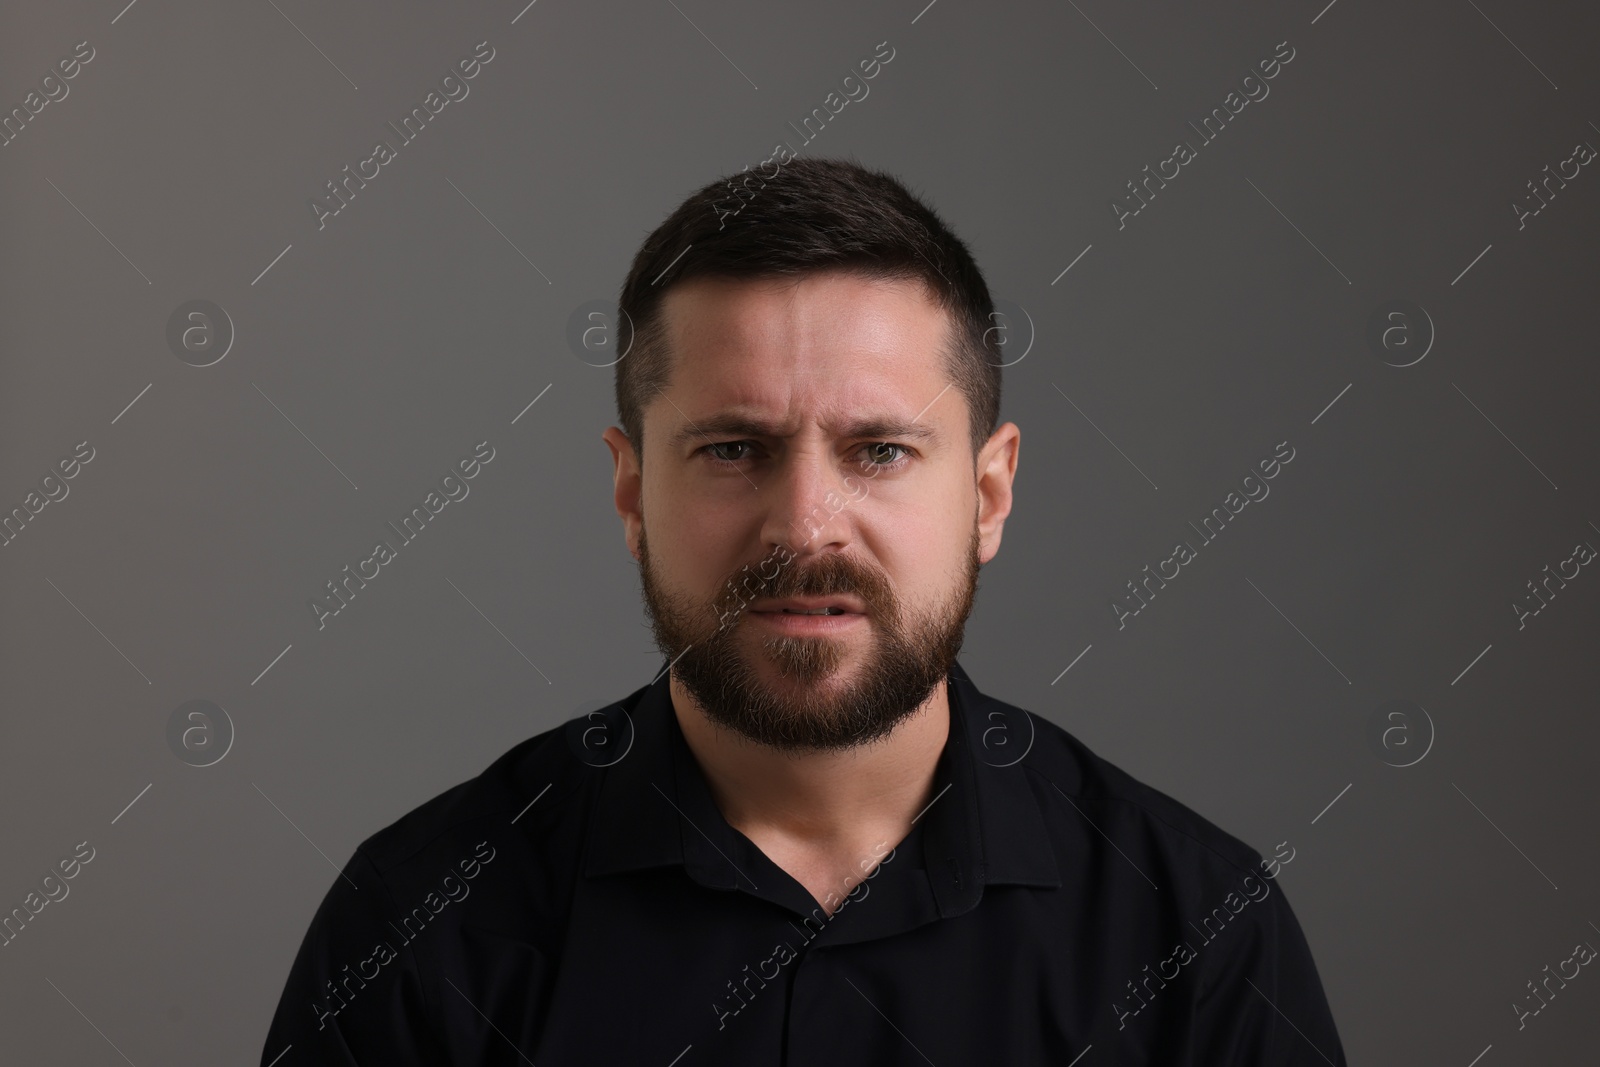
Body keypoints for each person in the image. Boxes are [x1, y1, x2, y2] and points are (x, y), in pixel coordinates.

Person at [260, 156, 1346, 1065]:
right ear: (632, 491)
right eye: (735, 449)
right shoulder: (418, 925)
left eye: (879, 450)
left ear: (987, 493)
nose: (806, 524)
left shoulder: (1194, 928)